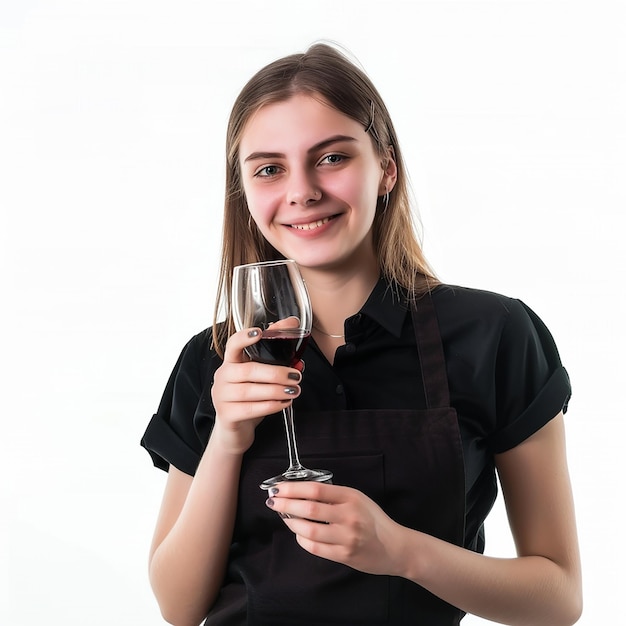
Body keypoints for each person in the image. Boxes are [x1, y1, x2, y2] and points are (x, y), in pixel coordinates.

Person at [141, 43, 582, 625]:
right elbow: (178, 605)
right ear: (245, 195)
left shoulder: (495, 335)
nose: (302, 191)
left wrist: (401, 551)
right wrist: (227, 438)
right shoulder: (215, 358)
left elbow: (557, 598)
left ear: (387, 169)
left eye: (331, 158)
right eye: (270, 168)